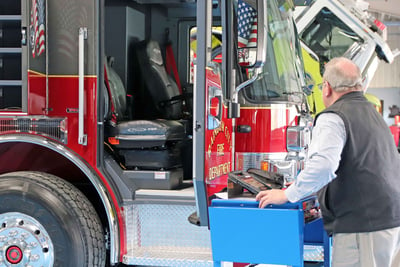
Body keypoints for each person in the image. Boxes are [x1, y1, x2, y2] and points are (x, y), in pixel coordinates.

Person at [256, 57, 400, 267]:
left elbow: (323, 167)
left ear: (327, 88)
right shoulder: (372, 112)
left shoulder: (334, 117)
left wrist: (287, 194)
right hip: (389, 218)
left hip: (362, 224)